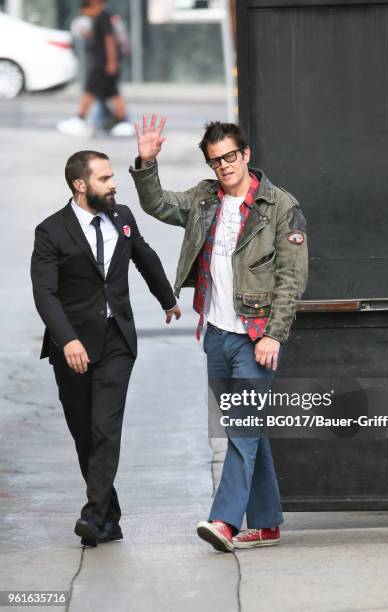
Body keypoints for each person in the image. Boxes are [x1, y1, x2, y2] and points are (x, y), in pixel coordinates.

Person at [129, 115, 308, 551]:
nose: (224, 166)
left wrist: (273, 335)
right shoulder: (205, 199)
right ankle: (266, 523)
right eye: (216, 161)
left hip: (254, 336)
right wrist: (146, 164)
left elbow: (292, 278)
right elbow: (159, 205)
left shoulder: (279, 206)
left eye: (230, 156)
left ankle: (224, 520)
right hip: (216, 335)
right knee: (246, 429)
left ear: (245, 155)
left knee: (242, 428)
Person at [31, 150, 181, 547]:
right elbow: (45, 295)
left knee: (104, 428)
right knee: (84, 433)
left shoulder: (123, 218)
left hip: (117, 339)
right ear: (81, 186)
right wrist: (68, 340)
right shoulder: (51, 232)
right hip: (73, 347)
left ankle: (92, 514)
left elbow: (144, 257)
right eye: (104, 179)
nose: (113, 184)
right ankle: (109, 517)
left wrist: (168, 298)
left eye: (112, 177)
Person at [57, 0, 134, 138]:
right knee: (113, 93)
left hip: (102, 64)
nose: (86, 14)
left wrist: (111, 62)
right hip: (103, 63)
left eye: (86, 11)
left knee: (90, 91)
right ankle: (124, 123)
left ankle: (79, 119)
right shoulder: (101, 18)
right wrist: (88, 34)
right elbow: (100, 37)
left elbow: (109, 40)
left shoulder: (103, 17)